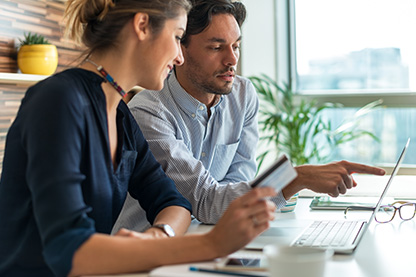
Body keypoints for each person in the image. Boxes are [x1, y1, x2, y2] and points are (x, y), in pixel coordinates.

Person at [0, 0, 278, 276]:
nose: (180, 56)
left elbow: (174, 203)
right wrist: (211, 244)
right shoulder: (59, 101)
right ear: (142, 26)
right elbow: (70, 249)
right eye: (177, 37)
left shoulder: (121, 116)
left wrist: (159, 236)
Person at [114, 0, 386, 232]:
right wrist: (294, 177)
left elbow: (239, 185)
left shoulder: (243, 96)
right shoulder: (148, 112)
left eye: (236, 46)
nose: (232, 59)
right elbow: (206, 201)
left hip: (214, 240)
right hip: (146, 255)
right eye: (216, 47)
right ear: (181, 49)